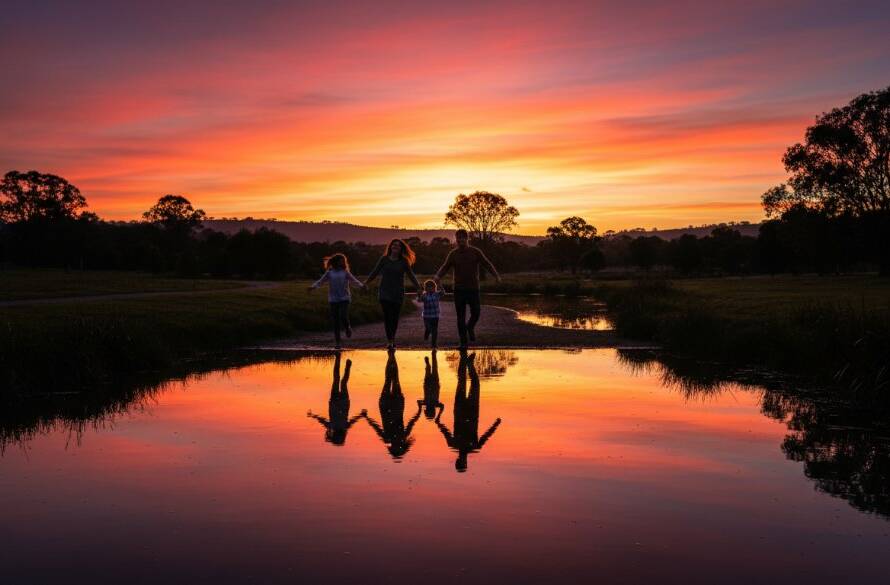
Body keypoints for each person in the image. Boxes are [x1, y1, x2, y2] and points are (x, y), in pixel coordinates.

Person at [434, 352, 501, 472]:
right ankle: (468, 364)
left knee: (463, 382)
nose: (464, 460)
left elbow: (444, 430)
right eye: (464, 463)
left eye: (462, 462)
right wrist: (496, 424)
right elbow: (486, 435)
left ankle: (465, 362)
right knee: (472, 383)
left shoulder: (455, 444)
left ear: (458, 460)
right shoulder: (471, 446)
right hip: (471, 410)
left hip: (462, 411)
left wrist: (438, 422)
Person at [433, 229, 501, 348]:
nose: (460, 240)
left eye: (463, 238)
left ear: (467, 238)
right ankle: (463, 342)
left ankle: (470, 327)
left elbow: (487, 263)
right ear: (456, 239)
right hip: (459, 289)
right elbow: (445, 266)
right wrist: (438, 276)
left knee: (476, 312)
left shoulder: (475, 251)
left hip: (473, 288)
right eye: (458, 238)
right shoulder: (453, 254)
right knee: (460, 317)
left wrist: (496, 275)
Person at [361, 351, 422, 459]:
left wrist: (366, 417)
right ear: (401, 447)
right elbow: (411, 422)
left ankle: (391, 356)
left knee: (389, 379)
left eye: (394, 448)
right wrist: (419, 410)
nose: (395, 445)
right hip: (396, 404)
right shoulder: (401, 436)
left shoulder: (387, 438)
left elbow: (375, 426)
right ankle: (392, 356)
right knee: (394, 378)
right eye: (397, 447)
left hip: (386, 405)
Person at [364, 239, 421, 350]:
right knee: (387, 317)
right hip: (384, 292)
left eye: (398, 246)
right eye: (393, 245)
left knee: (394, 318)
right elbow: (375, 271)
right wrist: (366, 282)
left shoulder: (404, 261)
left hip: (398, 293)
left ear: (401, 249)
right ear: (390, 247)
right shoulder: (384, 259)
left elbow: (411, 275)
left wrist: (418, 287)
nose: (395, 247)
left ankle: (392, 339)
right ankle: (389, 341)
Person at [309, 253, 365, 350]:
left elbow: (354, 281)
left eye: (343, 261)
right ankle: (338, 342)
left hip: (345, 298)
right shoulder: (329, 273)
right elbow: (321, 281)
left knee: (343, 315)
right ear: (335, 262)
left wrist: (362, 286)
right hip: (333, 299)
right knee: (335, 321)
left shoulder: (345, 272)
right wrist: (313, 287)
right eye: (340, 260)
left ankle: (347, 327)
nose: (342, 262)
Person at [306, 354, 365, 446]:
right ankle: (337, 359)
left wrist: (361, 415)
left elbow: (354, 420)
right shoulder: (332, 426)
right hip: (335, 401)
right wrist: (313, 415)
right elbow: (322, 420)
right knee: (337, 380)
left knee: (343, 382)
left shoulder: (343, 427)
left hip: (344, 402)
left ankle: (347, 366)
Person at [417, 279, 445, 349]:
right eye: (428, 287)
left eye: (431, 287)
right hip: (427, 316)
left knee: (434, 330)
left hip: (435, 315)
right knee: (428, 328)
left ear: (434, 287)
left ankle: (434, 344)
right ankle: (427, 332)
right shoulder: (424, 295)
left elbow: (443, 292)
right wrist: (419, 293)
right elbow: (419, 300)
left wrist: (440, 284)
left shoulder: (437, 294)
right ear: (425, 288)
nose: (430, 288)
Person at [417, 353, 443, 420]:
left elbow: (442, 406)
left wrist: (439, 415)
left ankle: (433, 353)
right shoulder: (425, 403)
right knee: (429, 371)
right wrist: (420, 409)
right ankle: (428, 365)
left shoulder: (436, 404)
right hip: (428, 384)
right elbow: (418, 401)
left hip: (435, 384)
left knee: (435, 368)